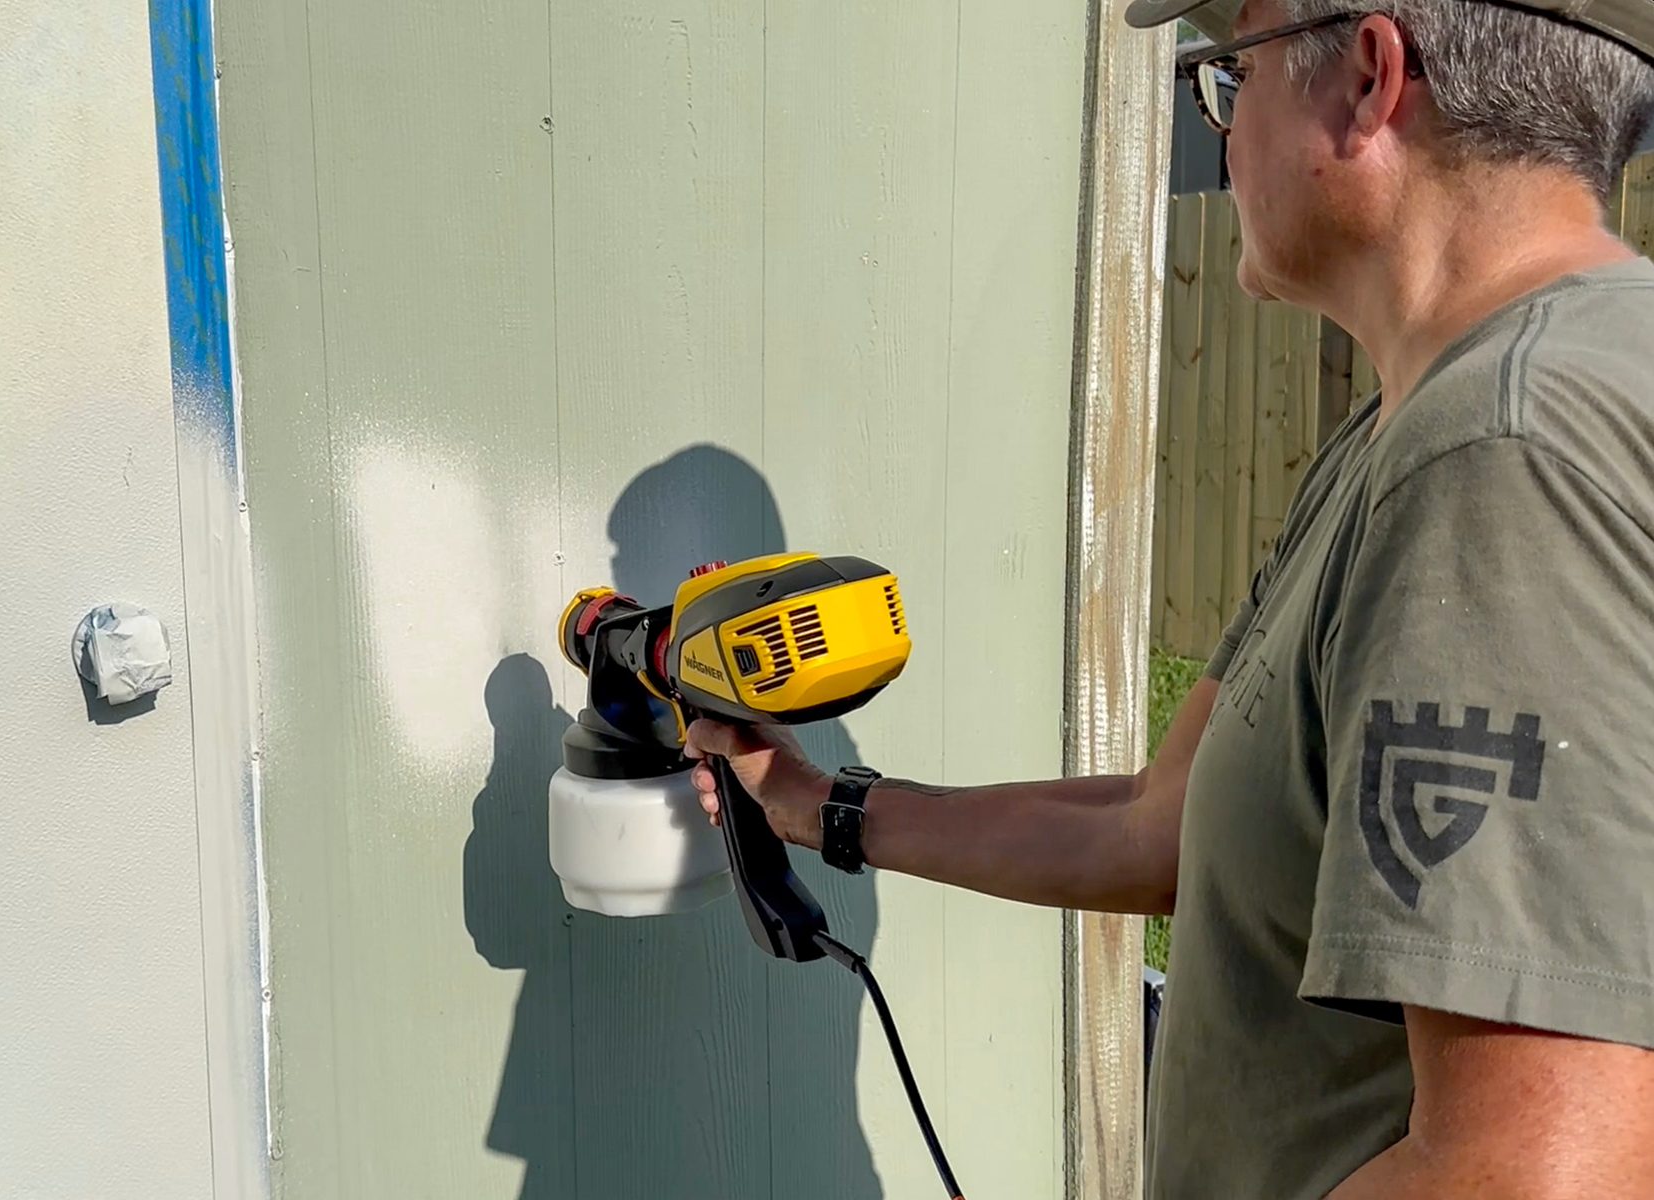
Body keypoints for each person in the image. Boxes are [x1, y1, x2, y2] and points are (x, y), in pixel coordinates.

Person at [687, 0, 1654, 1195]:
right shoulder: (1417, 426)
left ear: (1366, 79)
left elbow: (1527, 1174)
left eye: (1226, 76)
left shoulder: (1504, 447)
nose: (1224, 125)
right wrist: (818, 806)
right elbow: (1159, 828)